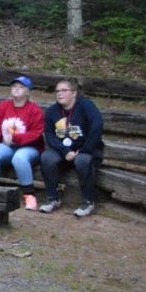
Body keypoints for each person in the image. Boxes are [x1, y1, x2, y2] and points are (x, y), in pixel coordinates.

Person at [39, 77, 104, 218]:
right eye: (57, 91)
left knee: (82, 160)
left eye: (64, 90)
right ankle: (53, 199)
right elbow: (50, 135)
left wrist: (84, 150)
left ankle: (88, 202)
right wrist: (65, 151)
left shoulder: (86, 106)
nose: (59, 94)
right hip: (64, 152)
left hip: (87, 150)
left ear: (74, 93)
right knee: (46, 157)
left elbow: (97, 127)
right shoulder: (52, 111)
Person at [0, 75, 45, 210]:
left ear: (28, 91)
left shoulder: (35, 110)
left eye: (21, 87)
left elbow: (36, 132)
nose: (16, 89)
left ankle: (29, 195)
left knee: (19, 159)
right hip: (8, 146)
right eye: (14, 86)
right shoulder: (4, 106)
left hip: (30, 147)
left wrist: (16, 138)